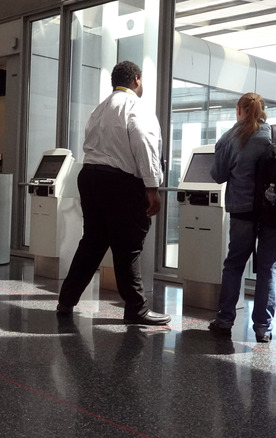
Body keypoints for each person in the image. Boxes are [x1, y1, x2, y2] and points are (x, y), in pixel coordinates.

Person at [56, 61, 171, 326]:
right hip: (119, 182)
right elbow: (144, 142)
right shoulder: (136, 107)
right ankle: (136, 309)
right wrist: (152, 187)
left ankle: (66, 300)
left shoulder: (100, 109)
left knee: (93, 242)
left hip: (91, 177)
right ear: (137, 80)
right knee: (128, 246)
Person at [208, 92, 276, 343]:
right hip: (275, 213)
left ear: (239, 109)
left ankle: (225, 321)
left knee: (234, 264)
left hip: (242, 211)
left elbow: (218, 175)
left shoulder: (230, 138)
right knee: (269, 268)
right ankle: (263, 328)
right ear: (263, 109)